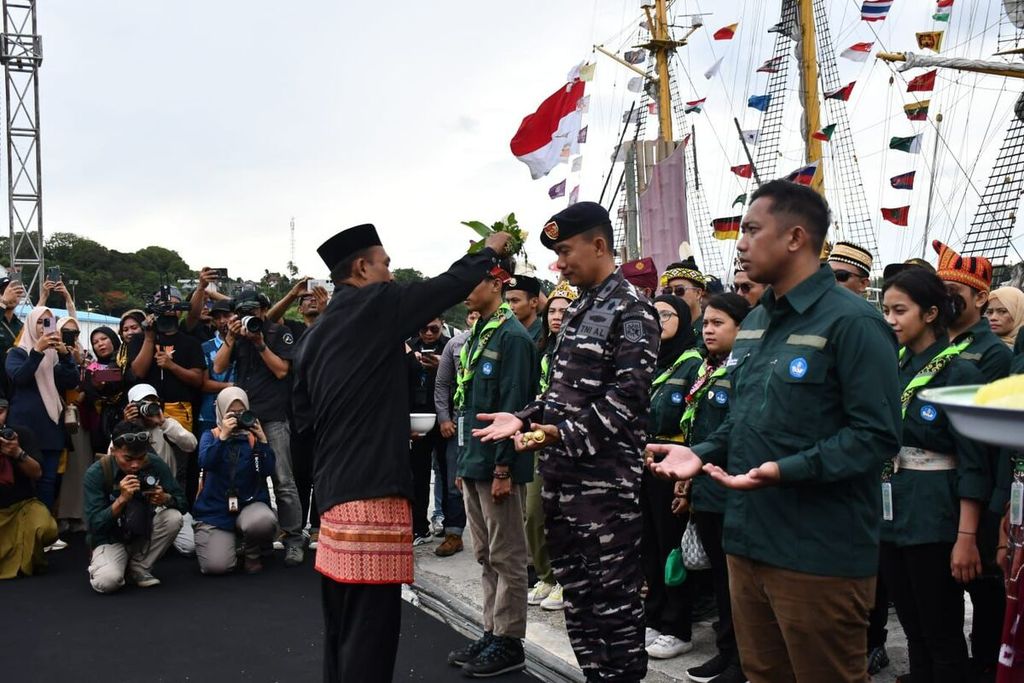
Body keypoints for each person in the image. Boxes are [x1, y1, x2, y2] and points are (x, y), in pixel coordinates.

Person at [648, 180, 902, 683]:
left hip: (816, 553)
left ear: (795, 238)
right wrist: (700, 453)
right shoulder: (759, 320)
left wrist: (784, 471)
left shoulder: (854, 323)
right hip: (747, 543)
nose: (740, 243)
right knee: (762, 673)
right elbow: (744, 419)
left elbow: (875, 437)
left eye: (751, 230)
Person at [291, 222, 511, 683]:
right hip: (374, 492)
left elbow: (304, 417)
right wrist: (488, 251)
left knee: (341, 625)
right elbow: (446, 286)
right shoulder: (376, 304)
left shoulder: (313, 336)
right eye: (386, 264)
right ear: (361, 268)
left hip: (333, 494)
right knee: (372, 631)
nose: (391, 275)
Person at [474, 201, 660, 683]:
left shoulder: (632, 308)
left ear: (599, 245)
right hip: (561, 479)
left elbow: (630, 396)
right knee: (578, 598)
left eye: (565, 250)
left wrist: (562, 433)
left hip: (604, 489)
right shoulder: (579, 307)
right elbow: (559, 393)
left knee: (613, 601)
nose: (559, 263)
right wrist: (522, 418)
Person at [879, 267, 990, 681]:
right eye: (886, 309)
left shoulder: (961, 374)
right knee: (912, 627)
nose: (890, 319)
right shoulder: (897, 365)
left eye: (899, 310)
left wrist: (966, 539)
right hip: (891, 510)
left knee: (941, 630)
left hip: (935, 516)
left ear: (929, 314)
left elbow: (974, 463)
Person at [446, 261, 536, 678]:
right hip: (475, 462)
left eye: (471, 284)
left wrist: (503, 469)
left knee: (508, 556)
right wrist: (465, 464)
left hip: (498, 465)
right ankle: (491, 628)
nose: (464, 292)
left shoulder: (513, 337)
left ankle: (510, 639)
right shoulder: (478, 333)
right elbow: (468, 405)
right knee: (484, 554)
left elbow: (514, 404)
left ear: (495, 284)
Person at [932, 239, 1011, 678]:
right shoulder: (930, 349)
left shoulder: (994, 355)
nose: (943, 299)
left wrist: (995, 508)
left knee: (985, 593)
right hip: (939, 494)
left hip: (979, 491)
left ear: (980, 297)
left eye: (954, 291)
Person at [680, 293, 751, 683]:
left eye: (719, 323)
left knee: (739, 585)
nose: (708, 329)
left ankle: (743, 660)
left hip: (731, 489)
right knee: (722, 583)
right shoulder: (707, 370)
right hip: (705, 487)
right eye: (706, 323)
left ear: (741, 328)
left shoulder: (743, 371)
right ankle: (726, 653)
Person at [214, 291, 304, 566]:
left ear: (264, 309)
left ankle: (293, 539)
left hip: (273, 416)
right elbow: (218, 367)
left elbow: (281, 371)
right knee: (239, 476)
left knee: (283, 481)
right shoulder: (238, 334)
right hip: (244, 416)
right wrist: (231, 337)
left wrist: (260, 343)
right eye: (242, 312)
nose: (248, 317)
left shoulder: (279, 332)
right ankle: (249, 538)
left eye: (253, 311)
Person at [643, 294, 702, 660]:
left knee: (672, 546)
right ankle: (654, 615)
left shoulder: (692, 363)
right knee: (649, 545)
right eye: (654, 315)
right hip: (645, 462)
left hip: (675, 463)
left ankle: (678, 625)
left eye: (667, 314)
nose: (659, 320)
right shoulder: (648, 361)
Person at [83, 420, 186, 592]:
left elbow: (183, 503)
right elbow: (94, 525)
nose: (135, 465)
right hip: (110, 539)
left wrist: (165, 498)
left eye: (141, 458)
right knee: (108, 582)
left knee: (173, 517)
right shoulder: (97, 473)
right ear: (114, 451)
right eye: (128, 459)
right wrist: (121, 500)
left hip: (142, 533)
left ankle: (140, 567)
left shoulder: (154, 464)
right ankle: (108, 565)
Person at [526, 280, 576, 611]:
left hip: (570, 439)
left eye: (565, 310)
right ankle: (546, 575)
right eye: (553, 310)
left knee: (566, 515)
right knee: (533, 512)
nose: (556, 316)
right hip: (541, 437)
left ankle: (566, 581)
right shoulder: (545, 349)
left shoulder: (582, 350)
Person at [193, 387, 278, 574]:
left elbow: (269, 470)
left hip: (249, 504)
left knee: (262, 521)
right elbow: (205, 462)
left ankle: (252, 552)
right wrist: (223, 436)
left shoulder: (253, 439)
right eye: (232, 413)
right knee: (217, 567)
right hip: (216, 509)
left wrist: (263, 440)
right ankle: (229, 543)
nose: (238, 418)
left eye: (242, 412)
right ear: (221, 412)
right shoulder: (212, 435)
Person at [6, 307, 80, 512]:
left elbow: (71, 381)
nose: (44, 327)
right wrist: (37, 351)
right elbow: (20, 377)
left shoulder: (54, 356)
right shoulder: (16, 353)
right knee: (23, 481)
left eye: (49, 322)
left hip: (51, 427)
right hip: (24, 427)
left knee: (48, 481)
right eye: (40, 322)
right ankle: (24, 531)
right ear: (30, 324)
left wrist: (65, 355)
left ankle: (46, 531)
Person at [432, 310, 481, 558]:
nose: (476, 319)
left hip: (487, 421)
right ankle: (453, 534)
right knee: (454, 481)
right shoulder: (455, 344)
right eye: (472, 316)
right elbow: (442, 384)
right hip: (458, 419)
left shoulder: (501, 339)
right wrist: (444, 418)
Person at [125, 289, 206, 431]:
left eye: (174, 306)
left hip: (180, 410)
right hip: (146, 410)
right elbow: (138, 372)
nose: (169, 310)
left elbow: (198, 380)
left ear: (181, 310)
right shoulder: (139, 339)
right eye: (163, 306)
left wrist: (172, 366)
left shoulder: (191, 342)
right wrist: (149, 338)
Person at [0, 398, 58, 578]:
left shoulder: (20, 435)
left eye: (0, 411)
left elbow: (37, 473)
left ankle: (28, 557)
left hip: (20, 506)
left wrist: (17, 453)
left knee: (45, 527)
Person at [406, 316, 450, 544]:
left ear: (442, 324)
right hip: (417, 416)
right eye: (424, 329)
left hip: (443, 417)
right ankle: (419, 526)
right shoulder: (409, 346)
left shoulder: (451, 346)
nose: (429, 334)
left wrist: (443, 363)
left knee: (447, 472)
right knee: (418, 475)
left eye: (434, 329)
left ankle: (451, 527)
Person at [82, 326, 126, 455]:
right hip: (102, 424)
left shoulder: (123, 358)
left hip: (124, 417)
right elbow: (89, 389)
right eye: (95, 342)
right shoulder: (92, 367)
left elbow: (118, 374)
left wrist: (97, 376)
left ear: (113, 339)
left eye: (104, 339)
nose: (100, 344)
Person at [661, 258, 707, 350]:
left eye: (679, 290)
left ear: (698, 293)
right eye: (668, 291)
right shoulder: (664, 332)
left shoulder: (710, 330)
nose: (673, 296)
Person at [503, 275, 543, 342]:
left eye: (515, 300)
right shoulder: (506, 333)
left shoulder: (544, 337)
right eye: (507, 301)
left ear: (534, 302)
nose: (509, 307)